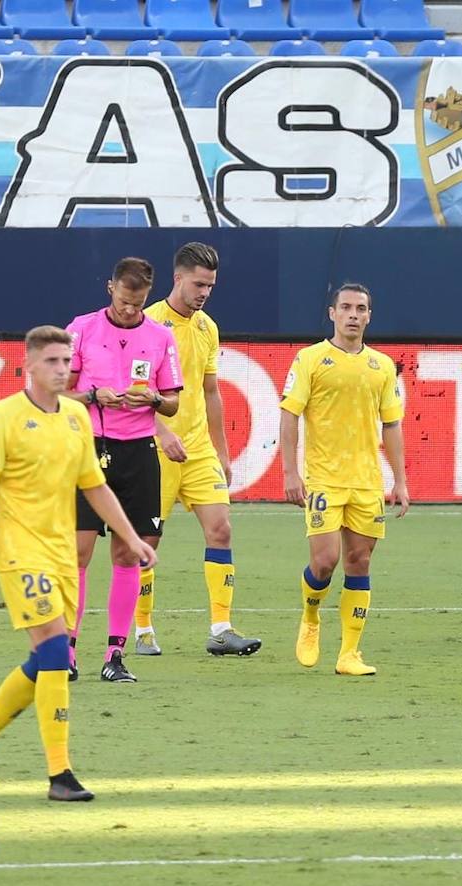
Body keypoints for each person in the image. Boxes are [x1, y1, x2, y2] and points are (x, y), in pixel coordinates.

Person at [0, 326, 157, 802]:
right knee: (54, 658)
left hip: (63, 555)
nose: (62, 370)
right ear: (29, 366)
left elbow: (95, 486)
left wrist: (131, 538)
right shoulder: (1, 418)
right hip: (21, 554)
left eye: (66, 361)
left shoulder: (76, 418)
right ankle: (60, 775)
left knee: (44, 661)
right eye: (52, 362)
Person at [136, 242, 261, 659]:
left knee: (221, 528)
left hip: (198, 450)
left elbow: (210, 392)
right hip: (152, 449)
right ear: (177, 278)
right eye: (198, 283)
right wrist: (161, 432)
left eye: (210, 285)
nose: (204, 291)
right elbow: (134, 393)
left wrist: (222, 451)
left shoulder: (208, 327)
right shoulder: (148, 323)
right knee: (147, 539)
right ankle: (142, 629)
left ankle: (221, 628)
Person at [280, 283, 410, 676]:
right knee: (324, 562)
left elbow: (392, 424)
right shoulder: (310, 360)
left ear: (370, 316)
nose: (354, 315)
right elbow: (290, 416)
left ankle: (349, 654)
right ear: (332, 313)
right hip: (323, 479)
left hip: (367, 483)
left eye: (361, 309)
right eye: (347, 308)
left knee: (360, 560)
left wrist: (400, 481)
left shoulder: (383, 366)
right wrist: (290, 471)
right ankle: (310, 617)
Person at [66, 257, 182, 684]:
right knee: (78, 552)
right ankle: (68, 650)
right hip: (88, 449)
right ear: (110, 287)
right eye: (124, 301)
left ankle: (114, 655)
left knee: (129, 552)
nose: (130, 310)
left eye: (138, 303)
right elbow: (61, 390)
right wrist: (94, 395)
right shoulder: (81, 328)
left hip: (137, 452)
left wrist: (151, 399)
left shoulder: (160, 337)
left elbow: (173, 401)